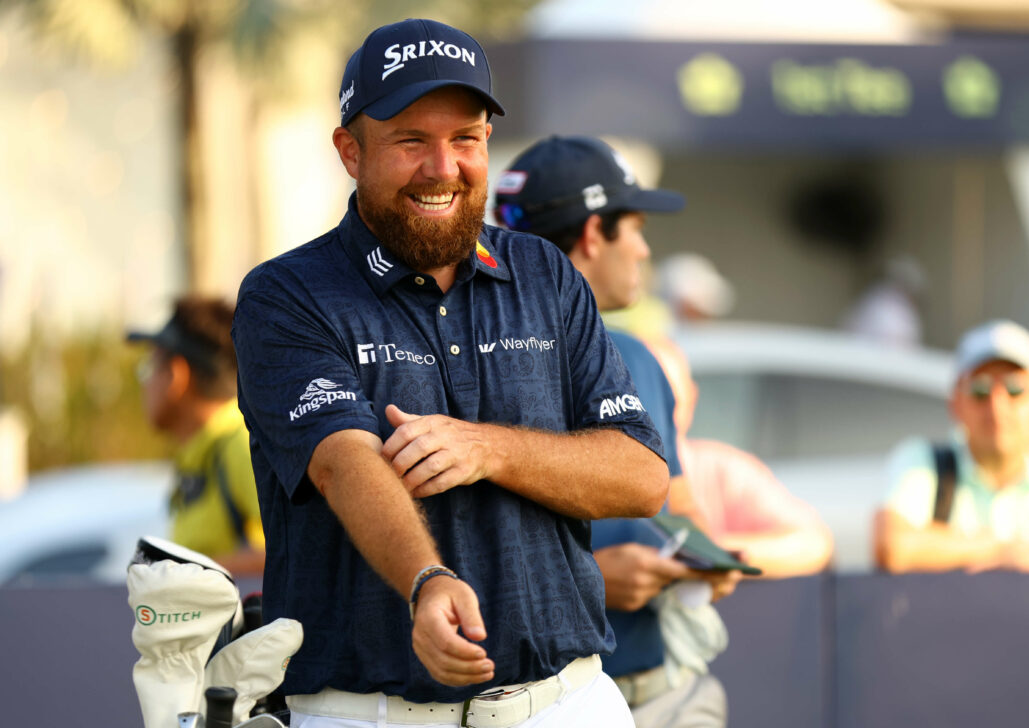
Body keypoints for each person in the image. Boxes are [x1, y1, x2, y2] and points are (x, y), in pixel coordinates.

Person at [231, 19, 669, 728]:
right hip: (365, 713)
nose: (443, 167)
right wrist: (426, 582)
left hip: (570, 703)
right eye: (411, 141)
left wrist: (488, 448)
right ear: (350, 151)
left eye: (464, 139)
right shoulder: (287, 295)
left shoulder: (545, 275)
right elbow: (343, 463)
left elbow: (642, 476)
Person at [494, 135, 738, 728]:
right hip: (534, 703)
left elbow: (678, 506)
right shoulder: (473, 365)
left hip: (664, 692)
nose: (644, 248)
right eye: (633, 227)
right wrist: (592, 581)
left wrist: (706, 558)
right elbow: (437, 565)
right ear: (592, 236)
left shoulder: (635, 353)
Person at [874, 319, 1029, 573]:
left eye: (1015, 389)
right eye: (980, 390)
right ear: (955, 404)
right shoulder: (926, 463)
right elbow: (893, 546)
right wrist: (998, 549)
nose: (997, 406)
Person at [644, 337, 834, 578]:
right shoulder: (599, 478)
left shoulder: (724, 470)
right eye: (642, 400)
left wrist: (710, 555)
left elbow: (814, 542)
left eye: (668, 399)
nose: (654, 414)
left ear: (691, 399)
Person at [127, 296, 265, 576]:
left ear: (177, 375)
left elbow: (295, 553)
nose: (145, 383)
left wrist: (183, 574)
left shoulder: (242, 445)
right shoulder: (202, 452)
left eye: (148, 368)